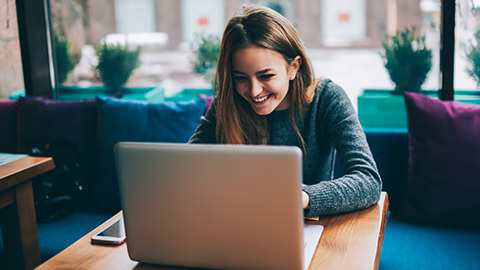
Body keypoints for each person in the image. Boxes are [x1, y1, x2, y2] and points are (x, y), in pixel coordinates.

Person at [189, 5, 381, 217]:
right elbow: (186, 169)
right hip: (236, 222)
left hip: (307, 225)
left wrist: (304, 197)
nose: (254, 91)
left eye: (266, 76)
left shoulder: (327, 98)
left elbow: (368, 180)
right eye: (241, 78)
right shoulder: (227, 103)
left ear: (294, 67)